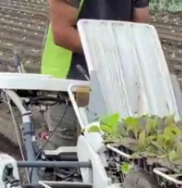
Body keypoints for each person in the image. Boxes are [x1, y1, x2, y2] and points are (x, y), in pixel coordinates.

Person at [40, 0, 150, 152]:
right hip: (69, 80)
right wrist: (112, 52)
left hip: (111, 78)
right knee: (65, 150)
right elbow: (62, 33)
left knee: (111, 150)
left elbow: (139, 29)